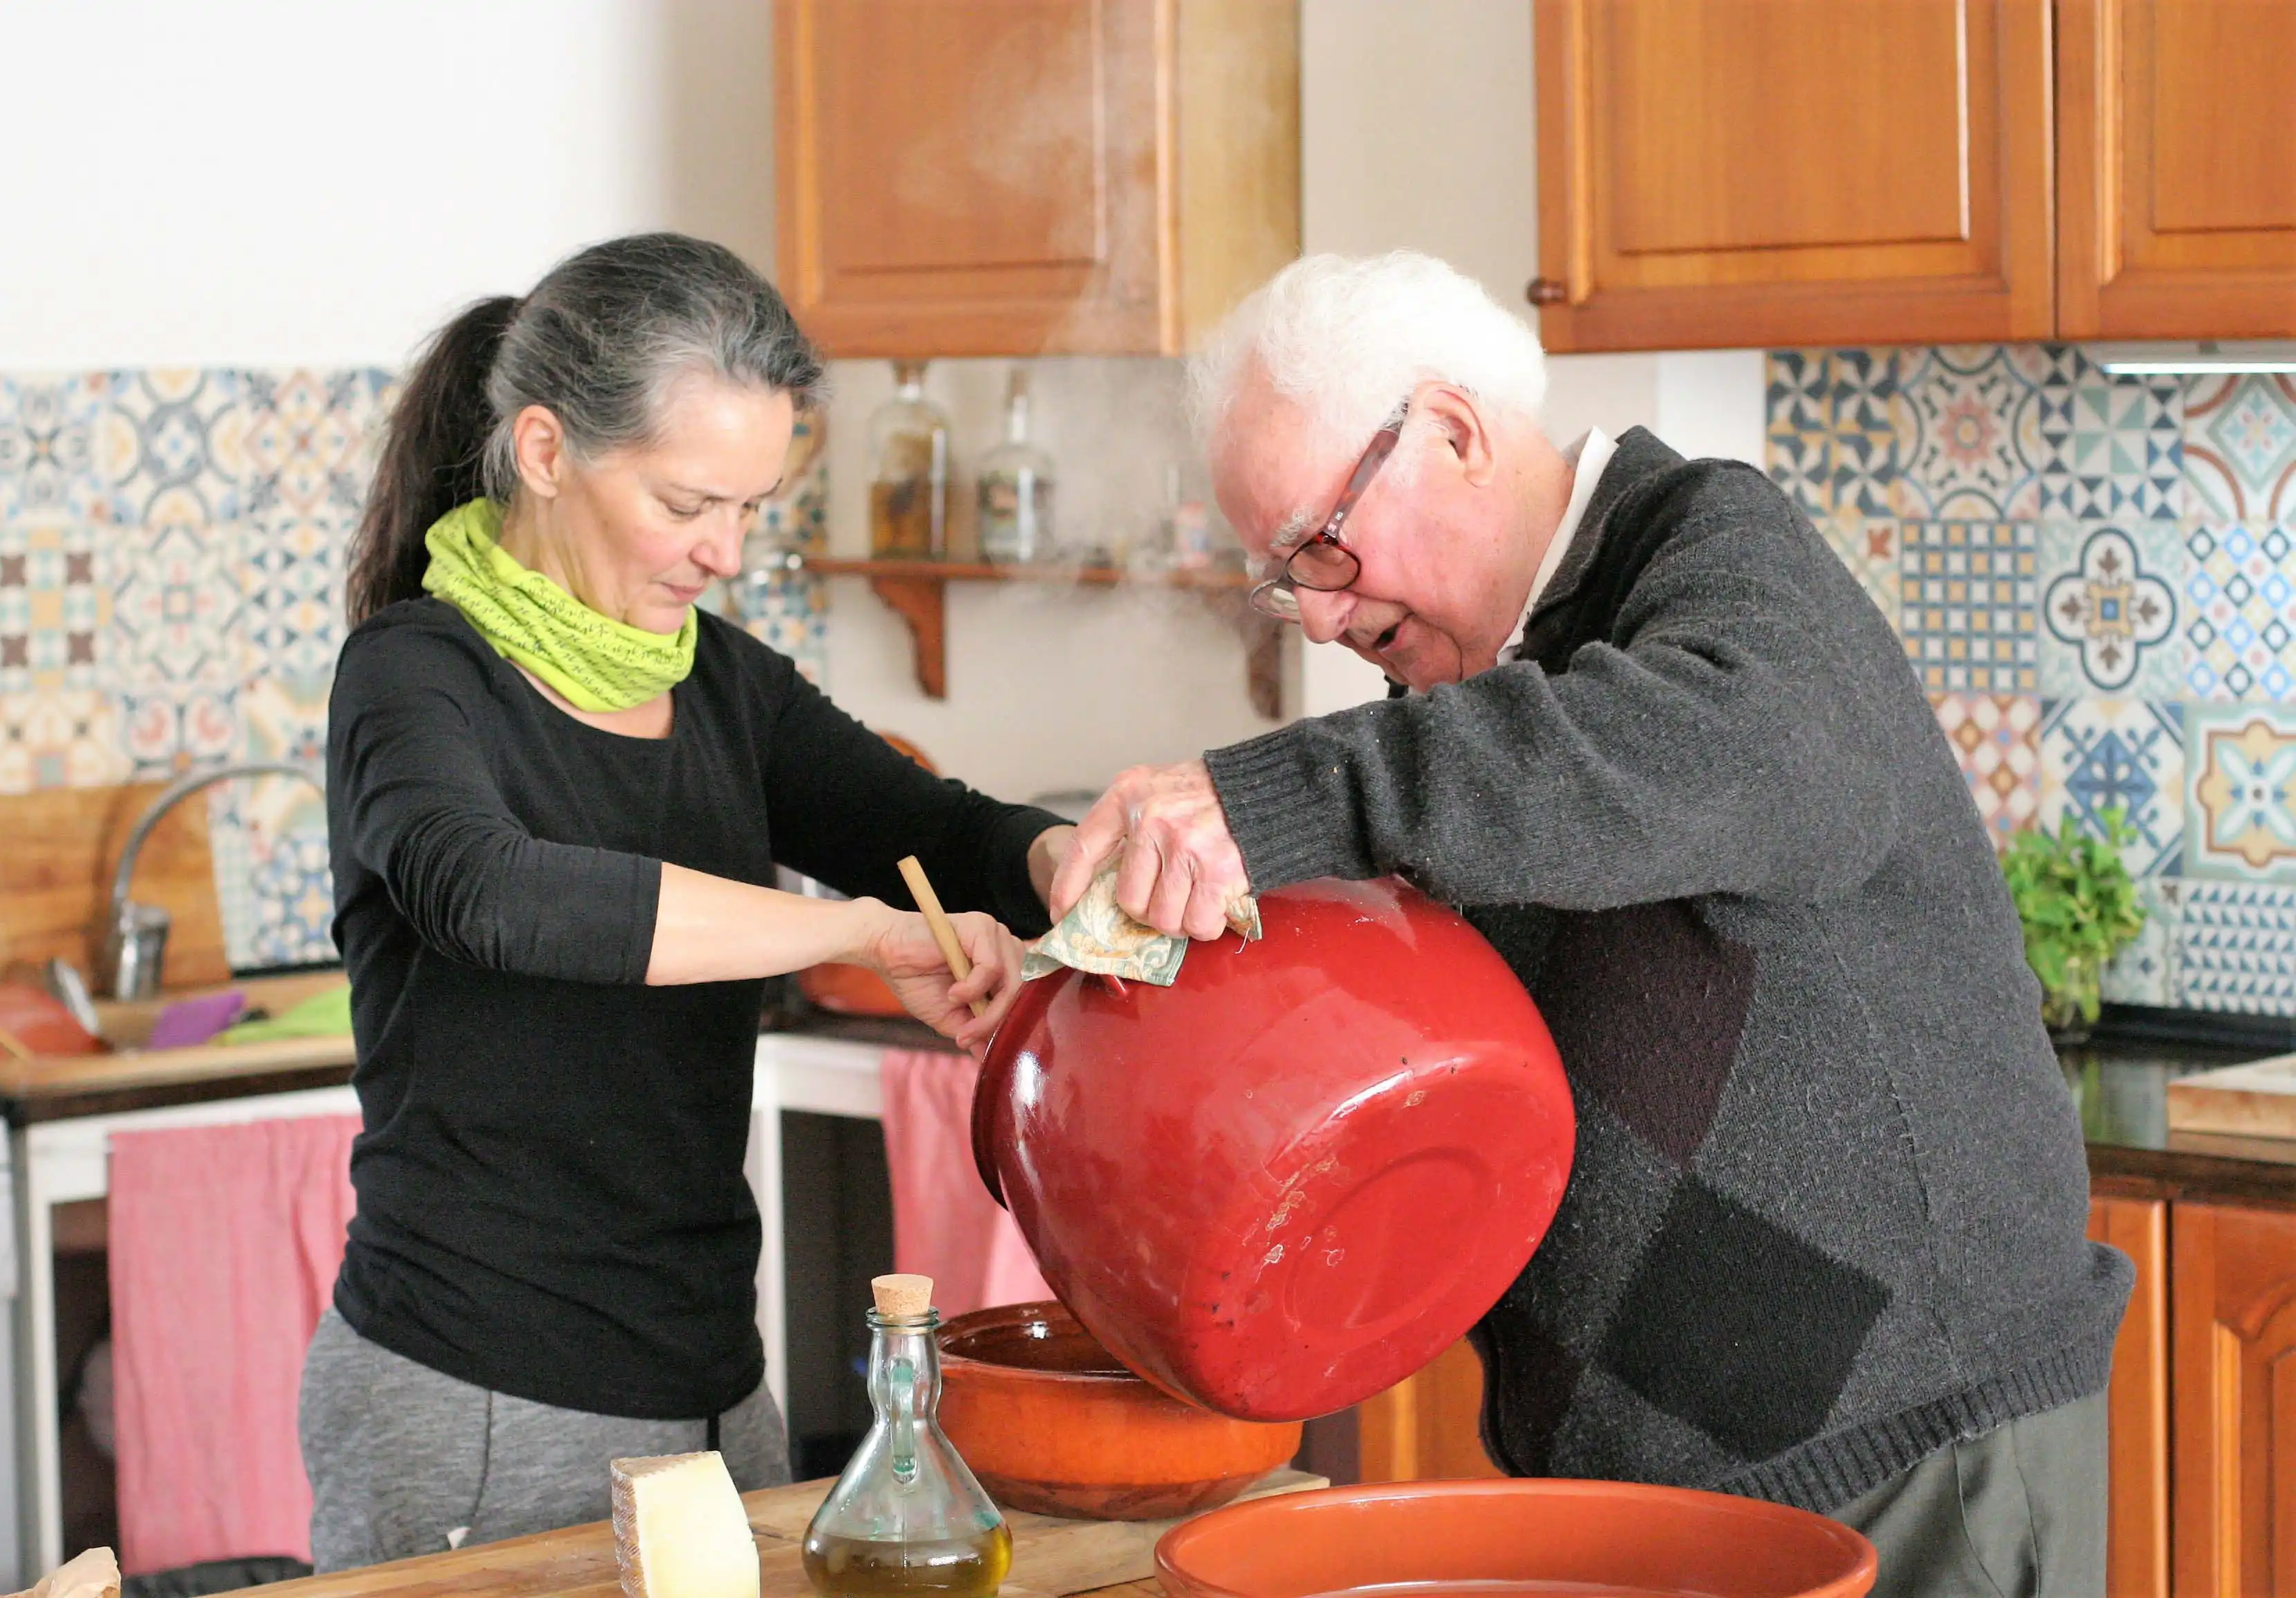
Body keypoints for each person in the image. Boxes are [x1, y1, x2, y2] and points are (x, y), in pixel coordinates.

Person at [1048, 252, 2128, 1595]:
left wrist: (1281, 794)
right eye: (1283, 579)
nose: (1320, 616)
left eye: (1323, 546)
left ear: (1451, 431)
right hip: (1672, 1478)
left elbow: (1754, 758)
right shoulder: (1483, 696)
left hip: (1904, 1441)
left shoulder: (1709, 543)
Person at [302, 234, 1069, 1571]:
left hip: (716, 1382)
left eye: (753, 509)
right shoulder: (414, 674)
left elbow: (925, 832)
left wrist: (1073, 860)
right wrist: (851, 931)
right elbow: (496, 895)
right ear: (544, 453)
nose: (725, 553)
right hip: (481, 1388)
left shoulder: (721, 682)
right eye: (686, 504)